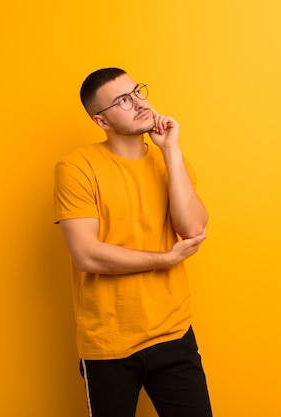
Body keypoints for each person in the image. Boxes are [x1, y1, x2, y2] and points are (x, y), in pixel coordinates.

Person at [53, 67, 213, 417]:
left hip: (173, 333)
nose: (139, 103)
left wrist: (170, 151)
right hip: (109, 344)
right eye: (123, 101)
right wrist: (165, 260)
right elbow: (87, 255)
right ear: (102, 121)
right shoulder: (76, 167)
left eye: (137, 91)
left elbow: (192, 229)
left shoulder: (171, 160)